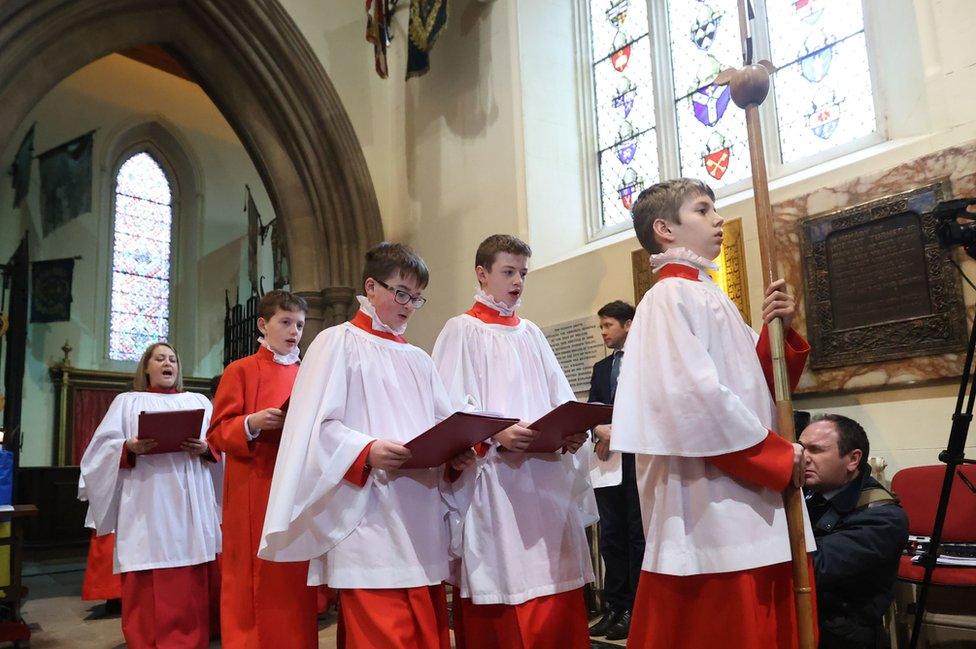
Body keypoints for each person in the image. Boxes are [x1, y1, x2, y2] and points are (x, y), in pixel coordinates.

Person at [610, 178, 817, 649]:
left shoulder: (711, 294)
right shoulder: (666, 298)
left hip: (752, 490)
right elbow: (692, 401)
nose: (719, 218)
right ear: (665, 228)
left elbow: (758, 385)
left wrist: (775, 333)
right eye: (704, 210)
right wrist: (778, 460)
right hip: (710, 499)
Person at [259, 242, 475, 649]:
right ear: (371, 287)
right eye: (401, 293)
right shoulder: (334, 342)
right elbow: (314, 429)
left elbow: (443, 425)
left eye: (416, 297)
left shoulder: (419, 359)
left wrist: (455, 456)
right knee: (380, 631)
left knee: (425, 627)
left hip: (419, 509)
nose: (409, 305)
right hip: (366, 511)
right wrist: (366, 450)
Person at [432, 233, 597, 649]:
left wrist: (574, 432)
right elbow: (445, 410)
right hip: (496, 481)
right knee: (505, 588)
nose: (518, 281)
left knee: (554, 584)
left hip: (545, 479)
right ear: (481, 274)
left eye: (523, 273)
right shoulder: (461, 330)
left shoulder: (531, 334)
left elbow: (561, 398)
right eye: (508, 272)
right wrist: (494, 432)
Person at [80, 342, 220, 649]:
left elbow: (219, 443)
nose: (168, 363)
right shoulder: (126, 402)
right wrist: (127, 447)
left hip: (189, 504)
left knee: (189, 575)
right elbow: (97, 454)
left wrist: (206, 448)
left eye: (173, 358)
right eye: (160, 359)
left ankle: (189, 641)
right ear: (146, 367)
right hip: (145, 502)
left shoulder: (198, 401)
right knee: (145, 572)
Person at [207, 290, 318, 648]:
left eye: (299, 325)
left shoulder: (308, 375)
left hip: (297, 489)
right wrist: (252, 423)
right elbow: (217, 433)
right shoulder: (240, 370)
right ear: (262, 324)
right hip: (254, 488)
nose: (294, 332)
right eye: (285, 322)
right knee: (253, 580)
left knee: (293, 578)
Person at [800, 414, 909, 649]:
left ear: (853, 459)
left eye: (815, 450)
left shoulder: (883, 518)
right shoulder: (810, 495)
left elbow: (813, 566)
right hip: (811, 620)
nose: (802, 458)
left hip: (844, 636)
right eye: (801, 449)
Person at [587, 300, 644, 641]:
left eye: (608, 325)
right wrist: (598, 430)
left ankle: (637, 607)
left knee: (636, 536)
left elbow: (645, 405)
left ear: (627, 324)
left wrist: (617, 431)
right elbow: (594, 410)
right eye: (601, 327)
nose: (604, 332)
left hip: (637, 459)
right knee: (610, 536)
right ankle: (615, 605)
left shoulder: (644, 362)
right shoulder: (600, 368)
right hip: (607, 462)